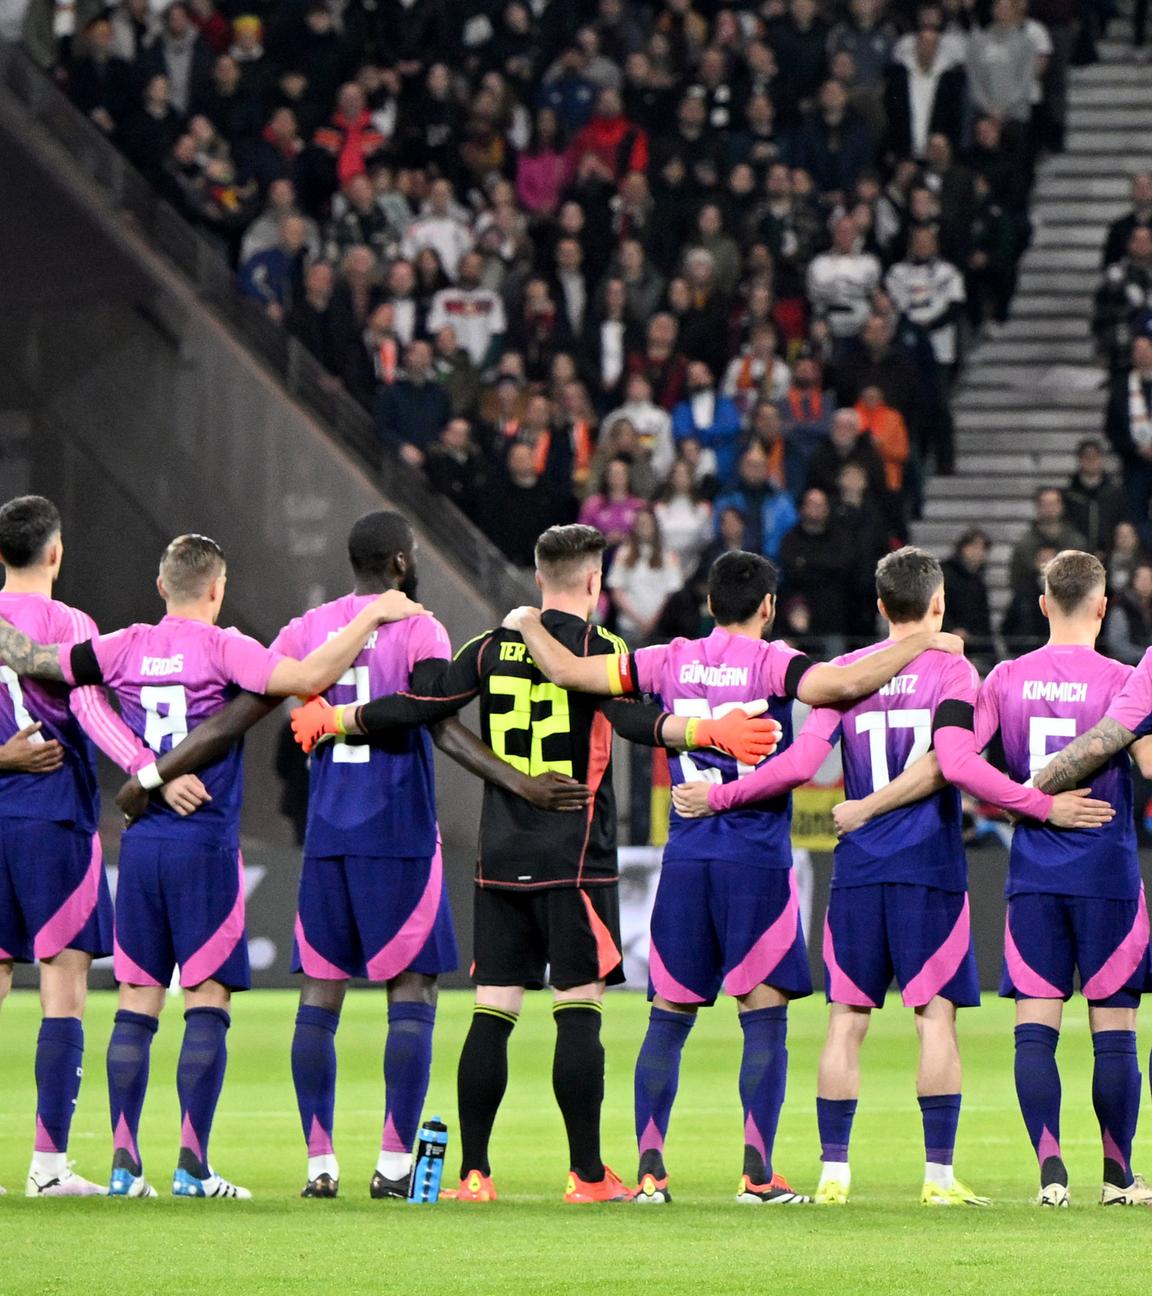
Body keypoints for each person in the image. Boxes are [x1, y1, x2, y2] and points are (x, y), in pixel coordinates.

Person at [289, 525, 782, 1203]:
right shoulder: (599, 649)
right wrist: (702, 731)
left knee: (493, 1009)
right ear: (591, 582)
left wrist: (338, 721)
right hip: (574, 854)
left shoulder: (489, 646)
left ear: (537, 575)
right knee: (577, 1011)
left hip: (500, 854)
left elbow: (423, 702)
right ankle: (586, 1174)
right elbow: (636, 723)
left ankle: (474, 1173)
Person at [112, 513, 586, 1199]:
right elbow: (436, 718)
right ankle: (394, 1165)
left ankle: (319, 1162)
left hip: (327, 836)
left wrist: (154, 772)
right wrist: (520, 782)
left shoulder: (308, 632)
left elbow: (246, 708)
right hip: (398, 835)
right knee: (412, 992)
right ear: (400, 561)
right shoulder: (419, 626)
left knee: (319, 997)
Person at [502, 550, 975, 1204]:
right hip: (756, 860)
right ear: (768, 607)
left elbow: (565, 672)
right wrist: (926, 639)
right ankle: (757, 1175)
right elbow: (835, 691)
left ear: (707, 604)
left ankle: (649, 1174)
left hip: (687, 854)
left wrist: (527, 619)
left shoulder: (665, 658)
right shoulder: (775, 662)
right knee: (764, 1020)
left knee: (667, 1017)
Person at [674, 547, 1113, 1205]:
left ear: (880, 607)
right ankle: (937, 1178)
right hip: (930, 868)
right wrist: (1040, 803)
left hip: (854, 870)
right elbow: (953, 763)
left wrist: (721, 796)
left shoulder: (842, 675)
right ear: (938, 604)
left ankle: (832, 1176)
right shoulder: (954, 673)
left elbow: (798, 765)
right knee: (934, 1019)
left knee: (846, 1021)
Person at [0, 535, 425, 1199]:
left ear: (161, 584)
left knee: (136, 1002)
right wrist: (368, 618)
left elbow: (47, 665)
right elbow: (307, 679)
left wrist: (144, 769)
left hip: (140, 847)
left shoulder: (123, 645)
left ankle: (122, 1165)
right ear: (217, 589)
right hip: (205, 848)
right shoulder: (227, 647)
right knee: (206, 1003)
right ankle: (193, 1168)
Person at [838, 551, 1152, 1206]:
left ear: (1042, 605)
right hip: (1108, 873)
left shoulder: (1005, 679)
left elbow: (953, 760)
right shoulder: (1126, 679)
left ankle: (1051, 1175)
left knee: (1036, 1026)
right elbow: (1147, 766)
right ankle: (1120, 1178)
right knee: (1113, 1030)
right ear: (1102, 607)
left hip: (1033, 871)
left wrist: (1024, 799)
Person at [0, 496, 200, 1198]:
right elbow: (89, 708)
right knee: (64, 986)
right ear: (55, 553)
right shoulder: (69, 625)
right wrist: (147, 772)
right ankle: (49, 1169)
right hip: (54, 821)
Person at [606, 508, 683, 645]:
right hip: (628, 626)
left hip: (659, 627)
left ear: (655, 526)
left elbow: (672, 593)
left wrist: (654, 620)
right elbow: (616, 590)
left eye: (647, 523)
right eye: (640, 523)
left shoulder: (668, 555)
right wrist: (638, 620)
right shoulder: (623, 554)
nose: (644, 528)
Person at [712, 445, 798, 563]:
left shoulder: (782, 502)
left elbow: (792, 533)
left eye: (760, 465)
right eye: (750, 464)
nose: (755, 469)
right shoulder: (726, 498)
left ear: (767, 469)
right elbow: (717, 532)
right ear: (741, 467)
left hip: (773, 564)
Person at [1009, 489, 1087, 597]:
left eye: (1053, 503)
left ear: (1061, 506)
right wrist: (1036, 570)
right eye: (1044, 504)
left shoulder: (1076, 542)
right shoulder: (1025, 545)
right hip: (1033, 606)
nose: (1049, 508)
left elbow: (1086, 581)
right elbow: (1016, 582)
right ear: (1037, 507)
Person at [1061, 439, 1126, 560]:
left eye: (1095, 456)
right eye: (1086, 457)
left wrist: (1107, 549)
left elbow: (1120, 524)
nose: (1091, 461)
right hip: (1076, 559)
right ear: (1079, 460)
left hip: (1109, 558)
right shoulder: (1068, 496)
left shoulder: (1115, 494)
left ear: (1102, 459)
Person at [941, 529, 994, 659]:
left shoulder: (978, 581)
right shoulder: (946, 574)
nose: (979, 552)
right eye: (974, 546)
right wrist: (951, 629)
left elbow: (982, 617)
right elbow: (936, 606)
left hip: (973, 645)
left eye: (983, 548)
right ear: (962, 548)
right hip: (945, 641)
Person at [1105, 563, 1152, 665]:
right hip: (1127, 667)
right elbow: (1117, 645)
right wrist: (1146, 656)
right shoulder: (1121, 607)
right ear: (1133, 580)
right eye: (1141, 578)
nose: (1145, 582)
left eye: (1149, 578)